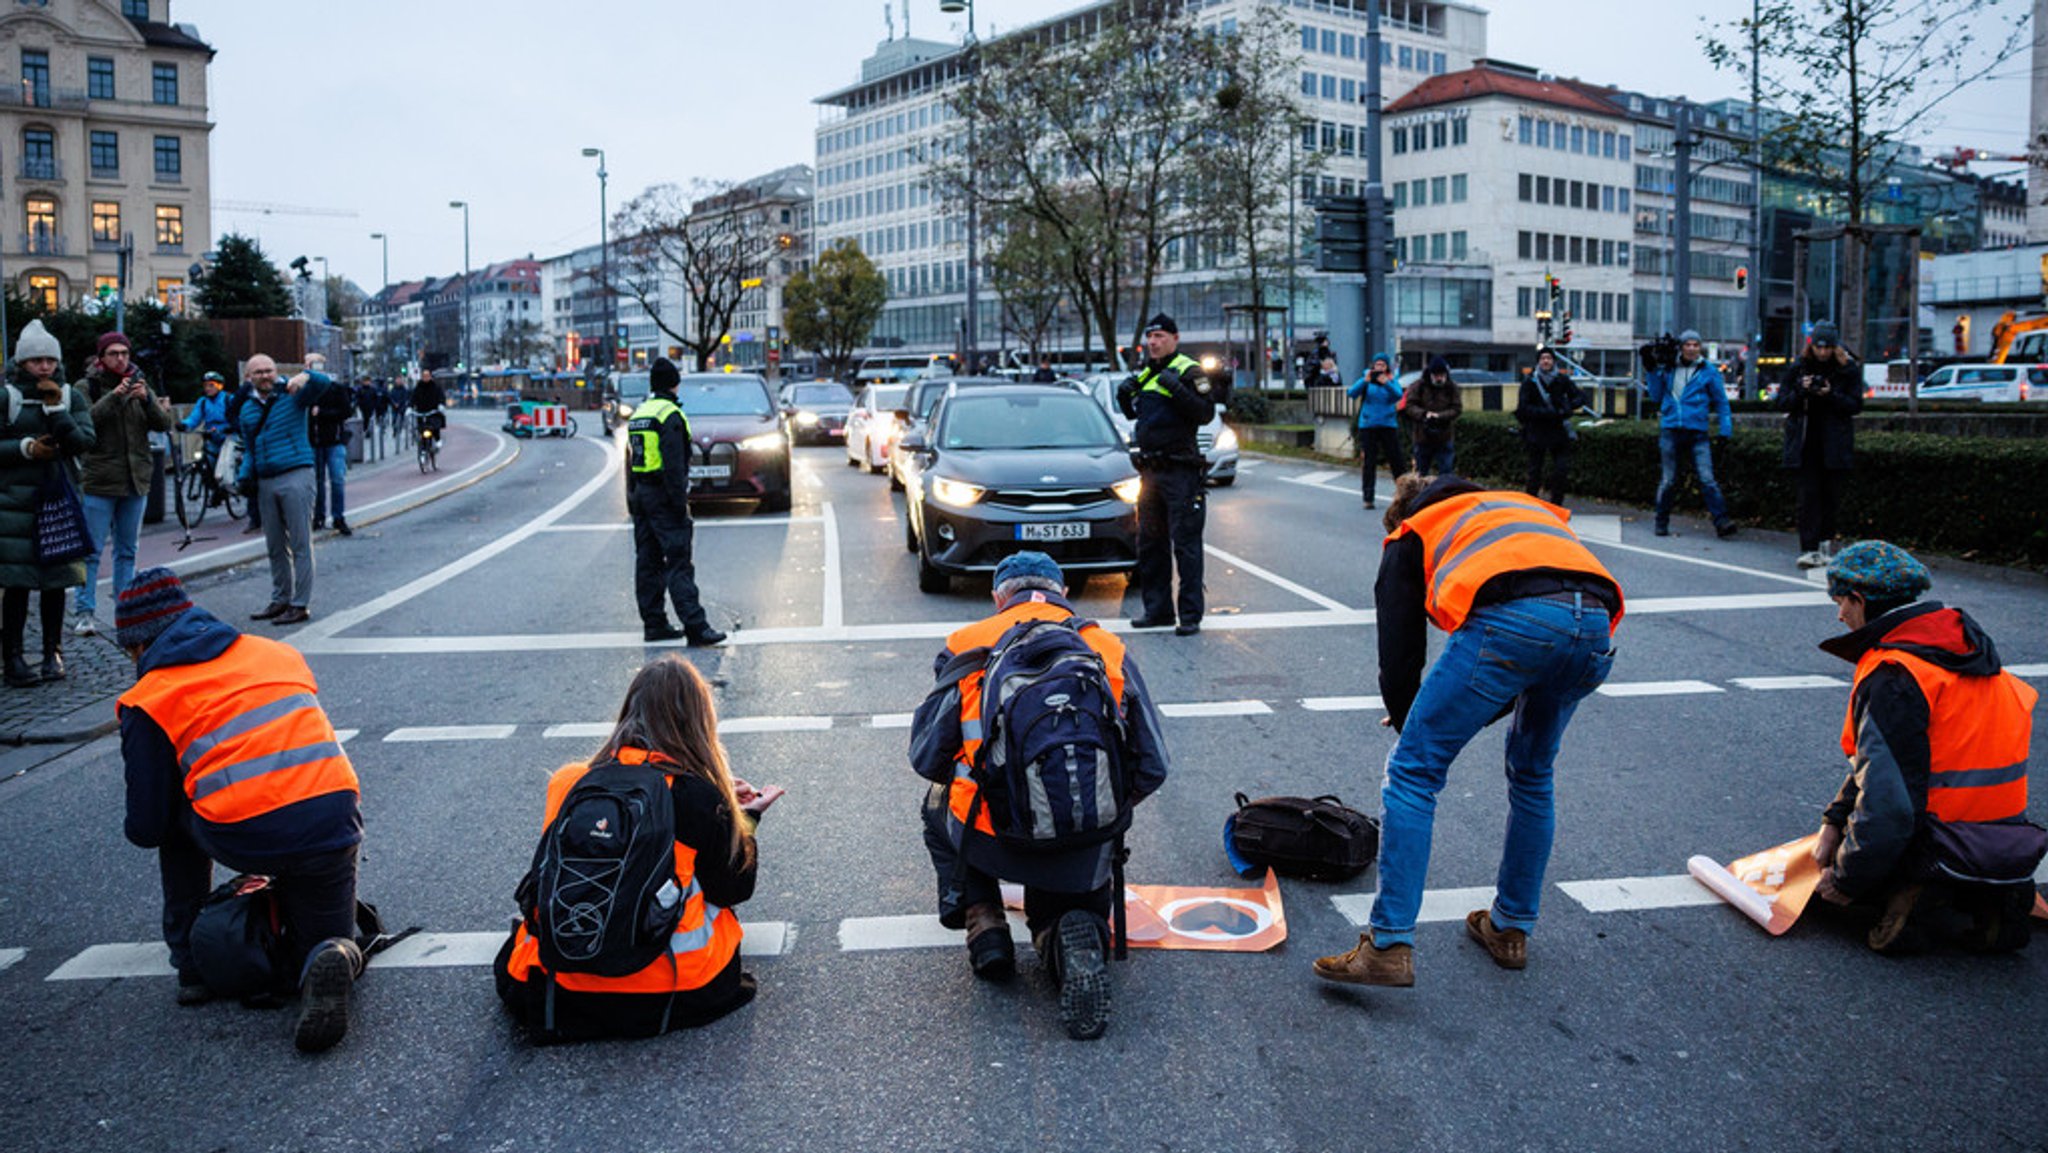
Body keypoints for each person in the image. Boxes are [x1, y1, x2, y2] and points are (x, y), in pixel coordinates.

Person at [1314, 473, 1621, 988]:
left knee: (1413, 772)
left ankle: (1388, 945)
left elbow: (1400, 653)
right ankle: (1510, 928)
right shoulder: (1516, 512)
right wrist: (1447, 711)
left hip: (1515, 624)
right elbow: (1521, 667)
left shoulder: (1415, 530)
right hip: (1594, 622)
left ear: (1402, 513)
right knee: (1533, 774)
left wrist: (1411, 720)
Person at [909, 551, 1170, 1040]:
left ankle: (984, 922)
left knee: (935, 804)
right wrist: (1107, 812)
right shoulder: (1106, 647)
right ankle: (1071, 934)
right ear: (1063, 593)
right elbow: (1153, 764)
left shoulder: (965, 645)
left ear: (997, 597)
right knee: (1069, 903)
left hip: (993, 836)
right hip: (1086, 837)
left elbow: (927, 758)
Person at [114, 567, 365, 1051]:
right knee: (327, 940)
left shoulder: (148, 698)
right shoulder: (275, 653)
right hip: (333, 818)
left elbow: (146, 827)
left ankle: (192, 967)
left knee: (174, 819)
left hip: (248, 830)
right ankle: (332, 953)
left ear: (142, 646)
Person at [495, 656, 776, 1039]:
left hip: (559, 988)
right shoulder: (698, 796)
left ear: (629, 711)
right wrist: (742, 820)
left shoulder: (570, 782)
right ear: (698, 722)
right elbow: (733, 888)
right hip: (676, 989)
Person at [1808, 542, 2043, 954]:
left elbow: (1889, 803)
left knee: (1851, 870)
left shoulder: (1895, 675)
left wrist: (1844, 879)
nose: (1839, 615)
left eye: (1840, 601)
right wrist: (1834, 819)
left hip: (1937, 842)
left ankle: (1916, 891)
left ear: (1859, 600)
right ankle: (1991, 896)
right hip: (2007, 838)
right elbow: (1893, 764)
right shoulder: (1966, 653)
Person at [0, 320, 96, 685]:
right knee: (17, 583)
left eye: (49, 360)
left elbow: (84, 442)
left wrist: (58, 413)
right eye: (36, 360)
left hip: (59, 502)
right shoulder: (7, 397)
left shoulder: (71, 396)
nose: (44, 367)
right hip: (15, 505)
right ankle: (13, 659)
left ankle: (52, 654)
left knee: (56, 582)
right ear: (22, 363)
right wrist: (26, 449)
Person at [1116, 313, 1215, 636]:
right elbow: (1137, 414)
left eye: (1159, 336)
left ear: (1175, 338)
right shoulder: (1148, 372)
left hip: (1181, 471)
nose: (1153, 342)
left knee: (1185, 545)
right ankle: (1157, 610)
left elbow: (1204, 412)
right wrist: (1124, 397)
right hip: (1151, 472)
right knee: (1150, 543)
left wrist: (1177, 390)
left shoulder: (1190, 370)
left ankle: (1189, 615)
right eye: (1150, 337)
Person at [77, 331, 174, 635]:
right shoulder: (86, 386)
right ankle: (85, 612)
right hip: (99, 481)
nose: (121, 358)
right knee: (91, 550)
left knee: (127, 549)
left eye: (124, 353)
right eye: (113, 353)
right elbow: (84, 423)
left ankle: (125, 611)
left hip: (136, 479)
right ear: (101, 357)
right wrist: (115, 396)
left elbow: (163, 424)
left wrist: (147, 402)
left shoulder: (140, 383)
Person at [627, 358, 725, 646]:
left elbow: (633, 459)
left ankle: (654, 623)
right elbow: (674, 465)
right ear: (675, 383)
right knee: (678, 559)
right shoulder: (670, 415)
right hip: (662, 494)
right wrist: (679, 502)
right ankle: (696, 626)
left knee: (647, 561)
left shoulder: (641, 413)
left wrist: (634, 496)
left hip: (642, 494)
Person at [239, 355, 338, 626]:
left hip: (296, 473)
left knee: (300, 542)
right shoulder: (247, 408)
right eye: (258, 372)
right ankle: (280, 598)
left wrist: (305, 374)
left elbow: (323, 384)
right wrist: (244, 476)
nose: (265, 375)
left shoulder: (292, 394)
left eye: (269, 370)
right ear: (249, 377)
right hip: (265, 480)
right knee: (274, 545)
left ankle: (300, 604)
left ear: (276, 371)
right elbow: (249, 447)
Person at [1777, 321, 1861, 569]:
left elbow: (1855, 405)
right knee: (1808, 497)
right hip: (1806, 443)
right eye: (1819, 347)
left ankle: (1826, 544)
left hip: (1834, 443)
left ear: (1835, 347)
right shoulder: (1799, 367)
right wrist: (1801, 392)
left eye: (1828, 347)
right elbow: (1782, 402)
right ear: (1812, 345)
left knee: (1831, 497)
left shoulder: (1848, 370)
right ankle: (1809, 548)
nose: (1822, 352)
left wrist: (1831, 394)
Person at [1642, 329, 1737, 538]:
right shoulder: (1668, 368)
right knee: (1668, 480)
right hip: (1671, 429)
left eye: (1696, 344)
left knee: (1707, 479)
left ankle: (1722, 522)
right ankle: (1661, 521)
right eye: (1688, 344)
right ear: (1681, 347)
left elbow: (1721, 402)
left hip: (1697, 432)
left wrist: (1725, 430)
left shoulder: (1709, 371)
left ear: (1700, 347)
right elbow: (1656, 395)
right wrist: (1651, 370)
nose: (1692, 348)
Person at [1516, 347, 1586, 506]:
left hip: (1558, 431)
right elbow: (1523, 407)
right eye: (1542, 358)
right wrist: (1545, 412)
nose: (1546, 361)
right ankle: (1531, 504)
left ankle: (1556, 505)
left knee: (1561, 471)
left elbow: (1580, 397)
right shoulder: (1530, 382)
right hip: (1536, 431)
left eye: (1548, 358)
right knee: (1535, 471)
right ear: (1538, 361)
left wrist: (1566, 408)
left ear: (1554, 361)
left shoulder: (1562, 380)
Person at [1346, 351, 1408, 509]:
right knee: (1369, 462)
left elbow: (1398, 395)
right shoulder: (1366, 379)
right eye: (1377, 364)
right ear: (1373, 365)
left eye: (1383, 364)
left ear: (1387, 367)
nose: (1379, 367)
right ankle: (1368, 497)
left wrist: (1386, 382)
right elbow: (1351, 393)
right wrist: (1364, 381)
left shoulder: (1391, 380)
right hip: (1368, 424)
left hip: (1388, 424)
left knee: (1396, 460)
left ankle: (1404, 494)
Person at [307, 359, 354, 536]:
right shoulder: (308, 392)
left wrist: (323, 414)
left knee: (337, 479)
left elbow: (346, 412)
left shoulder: (335, 389)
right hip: (315, 442)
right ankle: (319, 516)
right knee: (317, 482)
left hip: (333, 441)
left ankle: (338, 516)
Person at [1403, 357, 1462, 476]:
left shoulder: (1452, 387)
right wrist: (1424, 414)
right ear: (1430, 374)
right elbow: (1409, 406)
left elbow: (1457, 408)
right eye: (1436, 375)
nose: (1439, 378)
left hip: (1444, 435)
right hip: (1422, 436)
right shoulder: (1419, 386)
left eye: (1442, 375)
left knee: (1446, 471)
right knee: (1421, 473)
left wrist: (1440, 416)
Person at [180, 371, 231, 500]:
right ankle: (215, 491)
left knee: (224, 467)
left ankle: (228, 488)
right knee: (208, 465)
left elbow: (237, 417)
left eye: (211, 385)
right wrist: (184, 425)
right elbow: (194, 418)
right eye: (206, 385)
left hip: (227, 438)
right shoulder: (203, 402)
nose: (208, 388)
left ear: (220, 386)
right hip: (211, 438)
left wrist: (229, 428)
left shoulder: (228, 399)